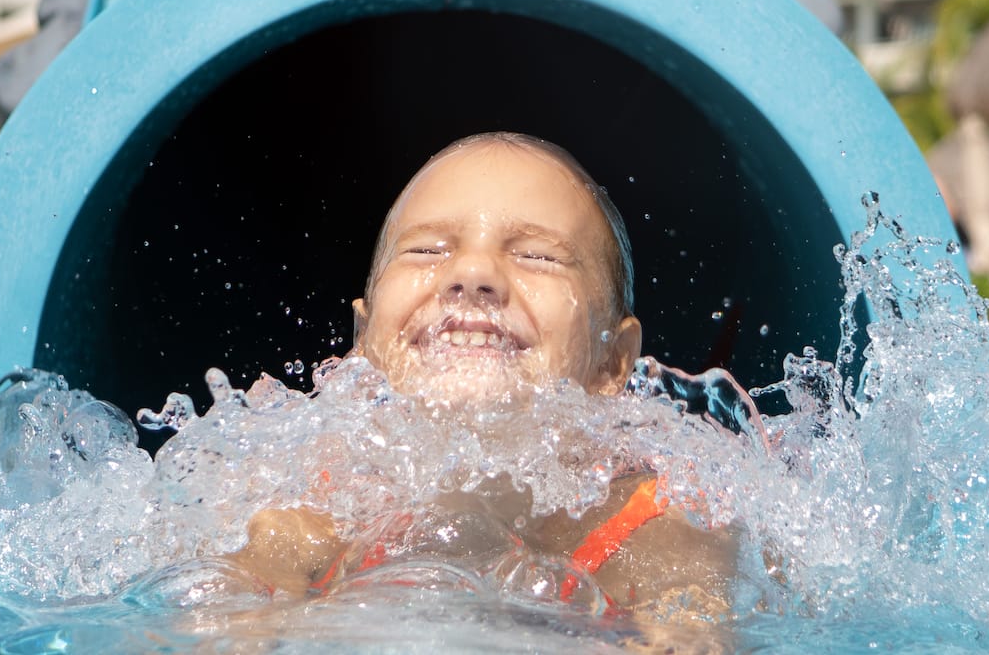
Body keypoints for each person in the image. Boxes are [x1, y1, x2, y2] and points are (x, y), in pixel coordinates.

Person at [228, 132, 737, 631]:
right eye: (426, 251)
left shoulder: (657, 538)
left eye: (537, 256)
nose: (472, 272)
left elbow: (698, 633)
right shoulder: (308, 515)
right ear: (363, 340)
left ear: (613, 362)